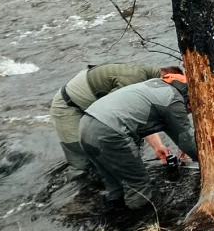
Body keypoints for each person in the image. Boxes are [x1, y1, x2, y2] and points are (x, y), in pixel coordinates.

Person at [78, 71, 198, 209]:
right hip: (109, 132)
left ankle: (115, 222)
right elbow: (189, 145)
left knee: (115, 185)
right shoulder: (174, 101)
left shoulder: (156, 86)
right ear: (190, 101)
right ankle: (142, 224)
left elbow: (140, 116)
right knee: (139, 185)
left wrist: (158, 146)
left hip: (86, 124)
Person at [50, 64, 181, 171]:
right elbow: (111, 113)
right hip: (68, 106)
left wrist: (158, 147)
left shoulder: (146, 80)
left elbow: (139, 117)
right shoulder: (134, 79)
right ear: (166, 78)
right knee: (83, 164)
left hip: (90, 104)